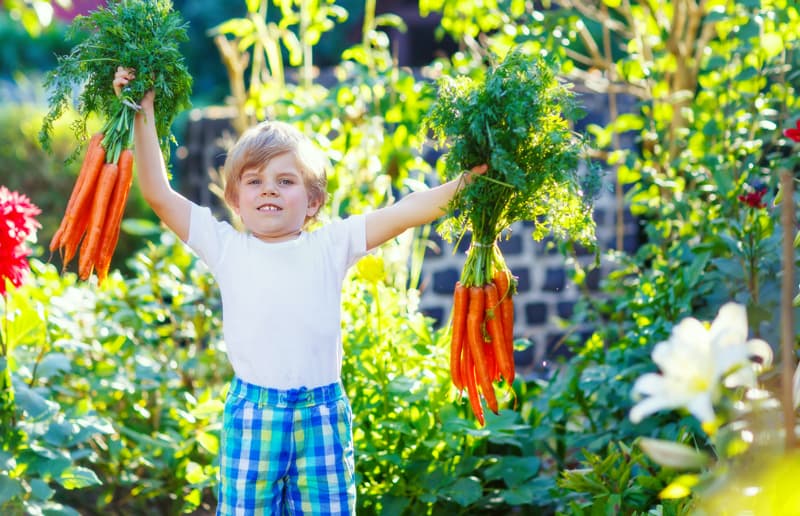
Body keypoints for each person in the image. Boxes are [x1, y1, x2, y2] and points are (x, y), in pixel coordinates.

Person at [113, 67, 486, 515]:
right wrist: (142, 110)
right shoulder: (225, 247)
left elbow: (405, 212)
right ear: (234, 200)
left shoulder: (331, 245)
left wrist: (468, 184)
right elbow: (157, 192)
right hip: (254, 415)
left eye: (285, 181)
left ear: (312, 202)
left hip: (322, 417)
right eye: (254, 181)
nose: (268, 188)